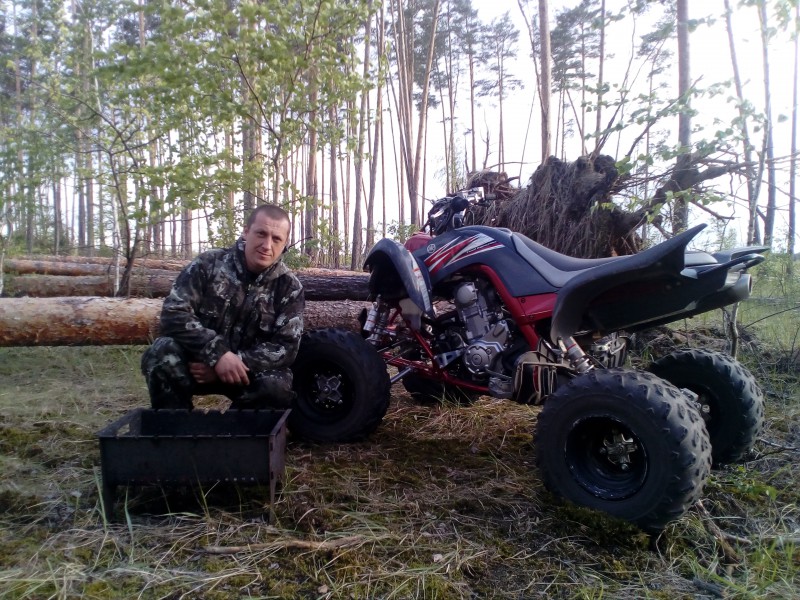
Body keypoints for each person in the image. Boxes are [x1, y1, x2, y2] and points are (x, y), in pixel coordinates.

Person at [141, 204, 304, 409]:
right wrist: (217, 355)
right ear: (246, 232)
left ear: (285, 243)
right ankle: (175, 424)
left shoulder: (289, 287)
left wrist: (236, 363)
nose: (266, 245)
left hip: (247, 372)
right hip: (198, 365)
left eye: (276, 239)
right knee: (161, 352)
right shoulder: (208, 264)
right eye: (261, 234)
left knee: (276, 386)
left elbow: (286, 347)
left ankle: (234, 428)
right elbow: (173, 313)